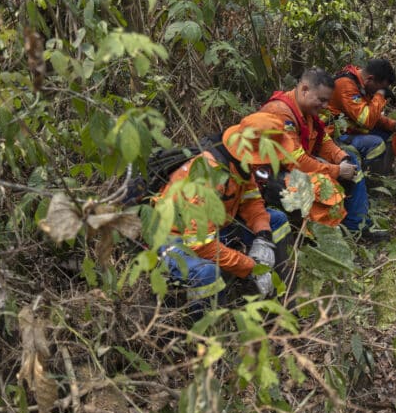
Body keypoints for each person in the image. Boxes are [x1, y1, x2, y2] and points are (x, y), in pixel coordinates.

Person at [156, 112, 293, 316]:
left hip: (217, 228)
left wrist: (263, 237)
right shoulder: (210, 175)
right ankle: (208, 335)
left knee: (277, 221)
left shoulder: (241, 164)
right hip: (176, 239)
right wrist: (250, 268)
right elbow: (199, 244)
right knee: (207, 274)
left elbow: (252, 201)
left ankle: (280, 296)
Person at [260, 68, 381, 239]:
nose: (325, 106)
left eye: (327, 101)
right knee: (323, 184)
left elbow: (322, 140)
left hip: (289, 168)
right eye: (322, 100)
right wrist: (336, 170)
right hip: (268, 177)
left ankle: (356, 226)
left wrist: (342, 158)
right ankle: (320, 238)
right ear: (304, 90)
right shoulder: (280, 113)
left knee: (350, 161)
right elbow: (297, 161)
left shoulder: (305, 111)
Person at [328, 58, 396, 175]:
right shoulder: (346, 85)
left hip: (351, 128)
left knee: (393, 136)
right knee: (377, 144)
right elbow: (366, 120)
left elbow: (370, 115)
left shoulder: (361, 83)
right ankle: (370, 181)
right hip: (335, 135)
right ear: (370, 79)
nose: (378, 92)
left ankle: (383, 176)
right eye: (379, 87)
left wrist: (395, 125)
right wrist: (380, 95)